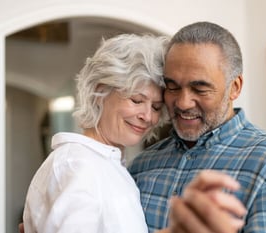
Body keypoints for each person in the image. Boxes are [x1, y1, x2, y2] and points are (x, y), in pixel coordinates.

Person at [129, 21, 266, 233]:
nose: (182, 102)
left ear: (234, 88)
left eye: (199, 88)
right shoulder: (141, 165)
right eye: (172, 86)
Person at [22, 33, 170, 233]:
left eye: (156, 107)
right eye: (136, 100)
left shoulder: (107, 164)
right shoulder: (78, 165)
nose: (148, 116)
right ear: (100, 92)